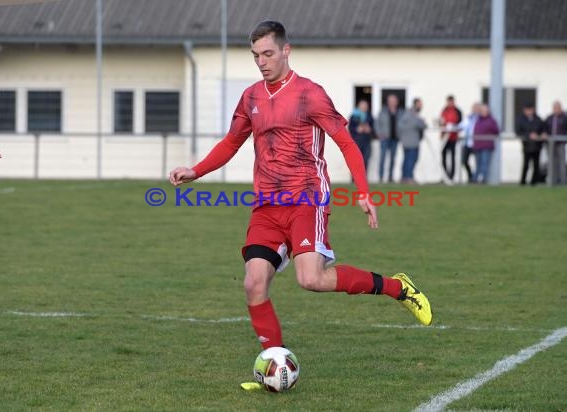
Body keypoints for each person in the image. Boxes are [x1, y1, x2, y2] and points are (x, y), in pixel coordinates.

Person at [168, 20, 432, 388]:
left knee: (311, 279)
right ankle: (274, 364)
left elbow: (347, 142)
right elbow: (232, 142)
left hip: (307, 199)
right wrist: (195, 170)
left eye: (268, 53)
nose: (261, 62)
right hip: (266, 205)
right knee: (253, 283)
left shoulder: (311, 94)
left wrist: (363, 192)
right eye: (255, 55)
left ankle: (397, 287)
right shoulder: (251, 97)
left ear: (286, 50)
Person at [516, 102, 546, 186]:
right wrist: (528, 135)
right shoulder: (521, 120)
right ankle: (523, 181)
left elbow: (543, 129)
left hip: (537, 146)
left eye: (530, 110)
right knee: (526, 164)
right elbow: (518, 131)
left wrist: (542, 134)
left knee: (536, 165)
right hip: (527, 145)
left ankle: (534, 182)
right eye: (527, 110)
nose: (529, 111)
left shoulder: (538, 119)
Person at [399, 98, 427, 183]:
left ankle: (404, 177)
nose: (421, 106)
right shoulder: (413, 114)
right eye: (420, 104)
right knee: (412, 159)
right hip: (412, 142)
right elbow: (422, 125)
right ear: (415, 104)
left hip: (406, 141)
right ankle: (409, 177)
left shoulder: (407, 114)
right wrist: (422, 121)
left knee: (406, 159)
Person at [376, 94, 403, 183]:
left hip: (395, 139)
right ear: (388, 102)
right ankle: (381, 177)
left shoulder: (400, 112)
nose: (392, 103)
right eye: (391, 101)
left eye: (394, 101)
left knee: (393, 159)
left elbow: (403, 124)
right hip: (385, 139)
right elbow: (377, 124)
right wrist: (379, 134)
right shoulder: (382, 112)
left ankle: (390, 177)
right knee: (382, 158)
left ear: (397, 102)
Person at [472, 104, 498, 184]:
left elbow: (496, 131)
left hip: (487, 146)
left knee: (484, 163)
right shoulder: (477, 120)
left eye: (485, 110)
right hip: (478, 145)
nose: (484, 112)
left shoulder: (491, 121)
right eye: (482, 111)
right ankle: (475, 179)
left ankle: (484, 179)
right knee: (478, 164)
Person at [439, 95, 463, 181]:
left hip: (453, 137)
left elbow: (460, 123)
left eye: (451, 102)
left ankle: (451, 176)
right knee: (443, 156)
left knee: (452, 157)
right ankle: (445, 175)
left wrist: (454, 127)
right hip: (445, 137)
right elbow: (441, 122)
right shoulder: (444, 110)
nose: (450, 103)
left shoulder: (458, 111)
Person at [348, 99, 374, 172]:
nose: (364, 107)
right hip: (356, 141)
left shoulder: (369, 116)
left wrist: (370, 130)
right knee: (356, 160)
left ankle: (364, 178)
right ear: (359, 106)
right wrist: (357, 129)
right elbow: (350, 128)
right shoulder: (353, 116)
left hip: (366, 141)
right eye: (363, 105)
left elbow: (373, 128)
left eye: (366, 105)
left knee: (365, 159)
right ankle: (354, 179)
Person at [544, 101, 567, 184]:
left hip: (561, 143)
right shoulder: (549, 118)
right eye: (555, 108)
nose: (556, 110)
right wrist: (544, 133)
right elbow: (544, 128)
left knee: (561, 162)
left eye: (558, 108)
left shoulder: (564, 118)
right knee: (552, 162)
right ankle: (552, 180)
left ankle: (563, 180)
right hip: (551, 144)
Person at [459, 103, 480, 183]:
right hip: (467, 143)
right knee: (464, 161)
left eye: (476, 108)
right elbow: (461, 126)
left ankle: (476, 178)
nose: (474, 110)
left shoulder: (480, 118)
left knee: (478, 162)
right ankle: (470, 176)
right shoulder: (469, 118)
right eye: (473, 108)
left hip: (476, 143)